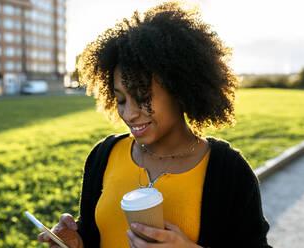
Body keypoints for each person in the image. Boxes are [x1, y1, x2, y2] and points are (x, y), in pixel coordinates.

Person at [38, 1, 271, 247]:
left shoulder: (229, 172)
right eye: (120, 99)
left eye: (141, 97)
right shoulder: (104, 156)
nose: (128, 114)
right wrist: (76, 240)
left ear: (180, 89)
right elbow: (95, 232)